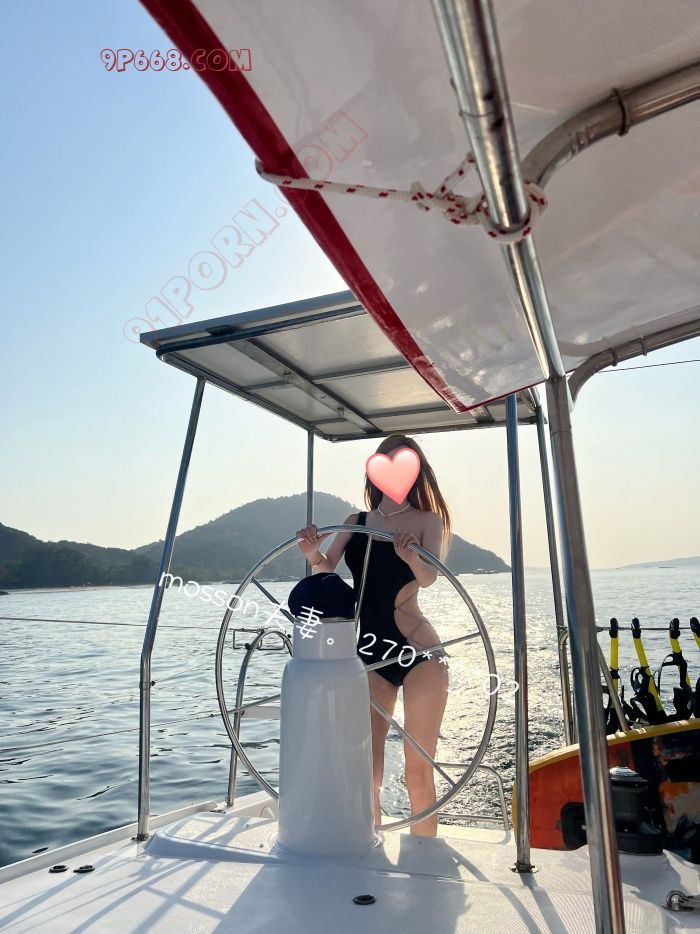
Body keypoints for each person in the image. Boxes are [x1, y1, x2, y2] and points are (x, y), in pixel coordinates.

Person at [296, 433, 450, 836]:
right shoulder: (356, 522)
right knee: (367, 767)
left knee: (417, 769)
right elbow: (325, 566)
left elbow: (429, 578)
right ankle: (369, 845)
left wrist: (411, 557)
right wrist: (311, 551)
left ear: (416, 471)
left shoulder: (427, 521)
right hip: (371, 653)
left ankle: (423, 855)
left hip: (420, 652)